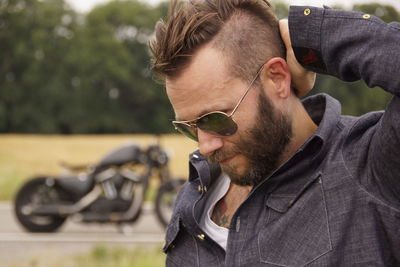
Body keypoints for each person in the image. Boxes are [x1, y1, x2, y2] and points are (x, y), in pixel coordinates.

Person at [149, 0, 400, 266]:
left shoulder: (372, 166)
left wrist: (310, 35)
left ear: (277, 78)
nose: (205, 145)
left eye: (215, 119)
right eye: (189, 127)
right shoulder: (195, 195)